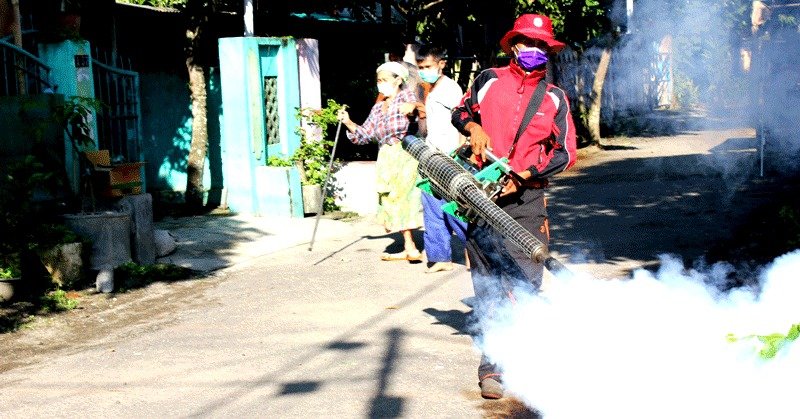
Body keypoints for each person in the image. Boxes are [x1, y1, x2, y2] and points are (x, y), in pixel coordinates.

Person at [450, 14, 578, 399]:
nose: (534, 51)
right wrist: (473, 128)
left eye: (542, 46)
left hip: (526, 200)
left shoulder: (555, 97)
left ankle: (530, 361)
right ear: (513, 46)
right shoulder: (487, 80)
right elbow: (461, 112)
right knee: (487, 283)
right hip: (480, 196)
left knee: (526, 283)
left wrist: (526, 172)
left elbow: (566, 153)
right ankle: (493, 367)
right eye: (528, 43)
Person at [338, 61, 424, 261]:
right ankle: (408, 245)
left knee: (403, 197)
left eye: (385, 80)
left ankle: (411, 247)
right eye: (379, 80)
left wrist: (412, 108)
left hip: (405, 153)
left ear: (398, 80)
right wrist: (348, 122)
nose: (381, 84)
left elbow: (417, 110)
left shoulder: (406, 96)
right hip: (385, 157)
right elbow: (365, 135)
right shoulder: (378, 108)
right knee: (388, 198)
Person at [400, 45, 469, 273]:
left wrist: (460, 150)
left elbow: (461, 120)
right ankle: (439, 258)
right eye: (420, 67)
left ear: (441, 64)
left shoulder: (451, 89)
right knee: (432, 208)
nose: (424, 71)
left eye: (428, 66)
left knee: (456, 208)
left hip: (450, 158)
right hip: (431, 156)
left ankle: (475, 251)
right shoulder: (429, 89)